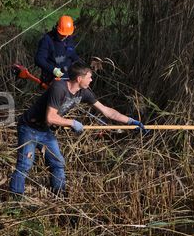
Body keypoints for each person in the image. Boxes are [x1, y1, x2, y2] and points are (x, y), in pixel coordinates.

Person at [9, 61, 146, 198]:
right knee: (25, 165)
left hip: (44, 130)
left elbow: (107, 112)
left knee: (58, 163)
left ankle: (59, 197)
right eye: (89, 77)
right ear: (79, 79)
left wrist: (130, 121)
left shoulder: (84, 93)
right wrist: (72, 123)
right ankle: (15, 201)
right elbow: (51, 117)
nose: (91, 80)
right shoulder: (59, 88)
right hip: (29, 127)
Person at [35, 15, 80, 84]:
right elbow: (39, 60)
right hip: (51, 80)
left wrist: (83, 66)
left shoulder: (68, 38)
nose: (65, 36)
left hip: (69, 79)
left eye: (67, 35)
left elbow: (73, 55)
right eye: (62, 34)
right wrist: (53, 70)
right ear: (57, 28)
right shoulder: (47, 40)